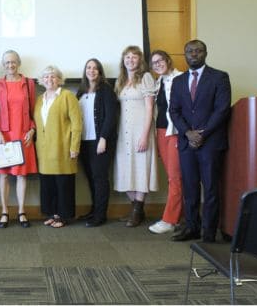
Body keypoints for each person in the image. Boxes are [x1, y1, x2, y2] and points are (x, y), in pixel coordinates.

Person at [169, 40, 231, 243]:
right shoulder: (178, 81)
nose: (194, 54)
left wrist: (202, 134)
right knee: (190, 187)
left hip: (211, 143)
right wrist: (187, 132)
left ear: (205, 53)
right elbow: (174, 111)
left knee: (211, 188)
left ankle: (209, 232)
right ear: (184, 55)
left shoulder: (219, 77)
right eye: (189, 51)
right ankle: (192, 227)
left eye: (198, 51)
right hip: (187, 143)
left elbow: (222, 109)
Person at [0, 50, 38, 229]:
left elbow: (34, 111)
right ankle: (4, 212)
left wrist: (32, 129)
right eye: (7, 62)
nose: (11, 65)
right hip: (4, 136)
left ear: (19, 63)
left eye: (14, 62)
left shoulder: (29, 83)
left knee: (21, 175)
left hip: (23, 135)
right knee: (4, 175)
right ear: (3, 65)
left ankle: (22, 211)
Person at [113, 46, 158, 227]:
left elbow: (150, 108)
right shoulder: (121, 81)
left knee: (141, 168)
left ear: (140, 61)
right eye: (127, 57)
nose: (130, 60)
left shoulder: (145, 78)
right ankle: (136, 210)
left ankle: (137, 211)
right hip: (124, 132)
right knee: (126, 170)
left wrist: (145, 135)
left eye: (134, 57)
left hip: (141, 131)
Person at [34, 65, 82, 228]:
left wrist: (74, 146)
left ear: (59, 80)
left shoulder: (68, 96)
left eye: (53, 76)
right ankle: (53, 214)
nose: (49, 79)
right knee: (48, 184)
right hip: (44, 149)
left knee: (63, 184)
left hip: (63, 147)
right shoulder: (40, 99)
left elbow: (77, 124)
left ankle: (64, 216)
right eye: (46, 77)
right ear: (41, 80)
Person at [76, 59, 118, 227]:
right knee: (91, 178)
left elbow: (110, 117)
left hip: (100, 142)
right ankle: (94, 210)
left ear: (100, 72)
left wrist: (103, 138)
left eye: (95, 68)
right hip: (84, 142)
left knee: (100, 178)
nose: (91, 70)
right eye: (88, 67)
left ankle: (100, 215)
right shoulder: (81, 91)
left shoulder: (106, 90)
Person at [148, 50, 184, 234]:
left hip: (176, 133)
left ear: (168, 60)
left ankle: (169, 220)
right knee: (173, 177)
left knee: (175, 177)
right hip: (161, 132)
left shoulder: (181, 78)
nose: (158, 64)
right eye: (154, 63)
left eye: (160, 60)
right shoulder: (158, 82)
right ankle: (178, 217)